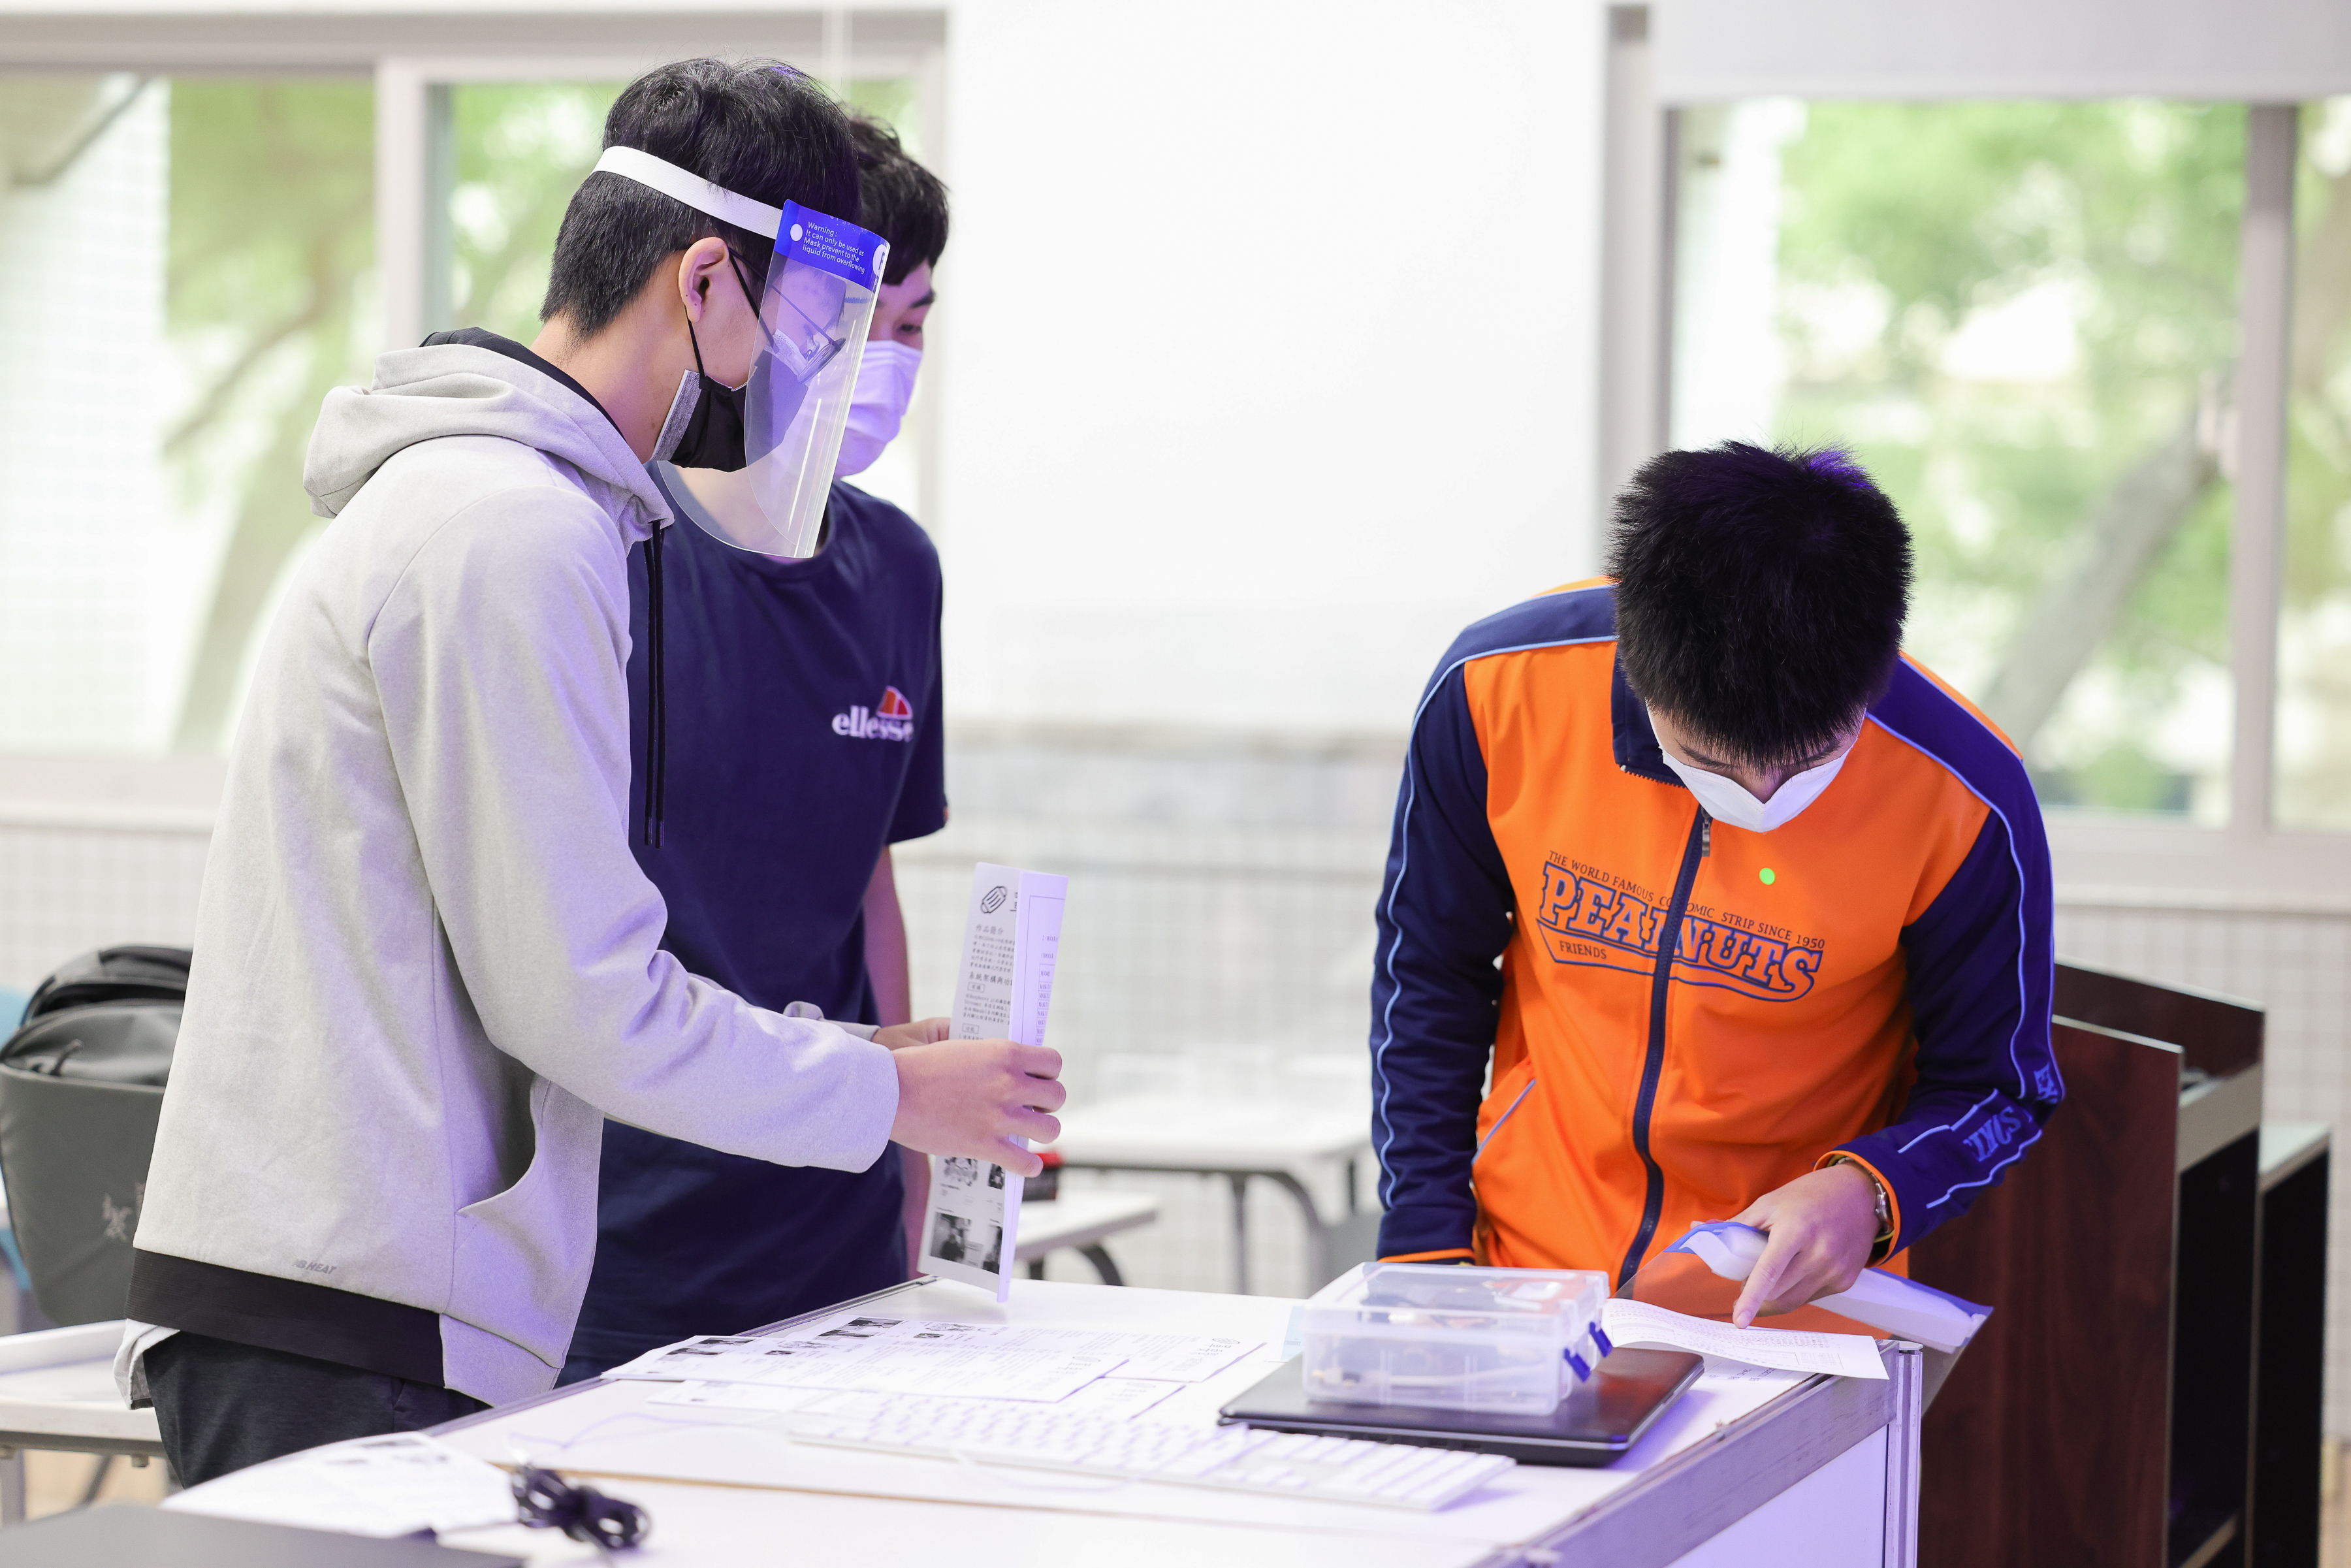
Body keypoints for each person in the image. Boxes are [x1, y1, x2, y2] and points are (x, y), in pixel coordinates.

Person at [121, 59, 1061, 1487]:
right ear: (706, 283)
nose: (813, 378)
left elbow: (538, 960)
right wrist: (889, 1103)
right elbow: (584, 1000)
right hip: (344, 1314)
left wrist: (872, 1060)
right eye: (814, 329)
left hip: (366, 1293)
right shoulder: (511, 530)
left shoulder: (516, 507)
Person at [1370, 442, 2060, 1324]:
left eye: (1809, 761)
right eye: (1707, 760)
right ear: (1635, 666)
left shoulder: (1966, 796)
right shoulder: (1495, 692)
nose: (1760, 797)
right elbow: (1430, 972)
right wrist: (1426, 1250)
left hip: (1785, 1295)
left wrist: (1871, 1190)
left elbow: (2001, 1087)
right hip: (1526, 1272)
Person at [560, 114, 952, 1383]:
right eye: (868, 321)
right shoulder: (607, 548)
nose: (891, 361)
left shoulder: (897, 570)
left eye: (916, 327)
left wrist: (914, 1157)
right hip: (628, 1229)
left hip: (834, 1219)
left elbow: (868, 883)